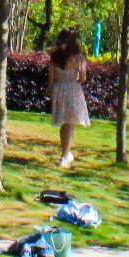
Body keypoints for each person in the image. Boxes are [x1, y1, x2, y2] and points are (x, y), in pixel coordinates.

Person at [46, 28, 90, 169]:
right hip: (73, 90)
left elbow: (51, 79)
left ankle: (66, 153)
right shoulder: (78, 58)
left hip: (59, 90)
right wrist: (74, 78)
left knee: (64, 123)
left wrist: (52, 93)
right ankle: (65, 156)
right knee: (70, 124)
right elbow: (83, 78)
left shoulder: (54, 58)